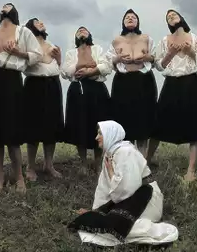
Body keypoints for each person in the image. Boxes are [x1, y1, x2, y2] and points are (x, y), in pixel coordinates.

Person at [67, 120, 179, 247]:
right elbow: (103, 188)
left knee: (116, 227)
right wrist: (95, 211)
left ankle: (157, 229)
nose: (96, 137)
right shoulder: (109, 154)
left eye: (100, 134)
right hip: (129, 199)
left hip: (146, 199)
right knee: (89, 221)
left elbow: (126, 190)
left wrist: (111, 174)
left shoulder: (126, 152)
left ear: (111, 134)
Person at [0, 3, 42, 193]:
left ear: (15, 12)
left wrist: (18, 53)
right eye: (2, 6)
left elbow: (37, 55)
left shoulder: (23, 31)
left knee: (13, 134)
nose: (4, 8)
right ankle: (0, 177)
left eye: (8, 6)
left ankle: (19, 178)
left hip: (12, 81)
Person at [146, 9, 197, 182]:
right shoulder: (164, 40)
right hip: (171, 83)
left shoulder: (194, 38)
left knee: (194, 127)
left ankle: (191, 170)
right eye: (168, 17)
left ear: (181, 18)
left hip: (191, 82)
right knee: (158, 124)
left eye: (173, 14)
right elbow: (159, 66)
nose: (171, 17)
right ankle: (146, 163)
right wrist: (170, 54)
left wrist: (190, 53)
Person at [62, 26, 112, 172]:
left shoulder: (98, 49)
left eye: (84, 30)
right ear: (76, 37)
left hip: (97, 90)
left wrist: (91, 70)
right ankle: (83, 163)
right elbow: (66, 71)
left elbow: (106, 66)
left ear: (90, 34)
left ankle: (97, 162)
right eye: (79, 31)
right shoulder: (71, 53)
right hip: (78, 91)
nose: (81, 32)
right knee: (80, 125)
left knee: (99, 126)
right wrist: (82, 64)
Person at [107, 9, 157, 155]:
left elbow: (156, 59)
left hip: (144, 80)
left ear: (137, 21)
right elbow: (109, 61)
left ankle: (142, 162)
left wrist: (148, 58)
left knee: (144, 120)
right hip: (123, 81)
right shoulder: (116, 40)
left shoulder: (147, 38)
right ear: (123, 22)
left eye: (133, 17)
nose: (130, 19)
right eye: (127, 17)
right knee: (123, 121)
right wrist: (118, 59)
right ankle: (126, 160)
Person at [22, 17, 65, 180]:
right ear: (30, 27)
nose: (41, 23)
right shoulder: (27, 45)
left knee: (51, 125)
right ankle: (30, 167)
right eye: (36, 22)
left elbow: (58, 67)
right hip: (34, 85)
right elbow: (25, 65)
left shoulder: (52, 46)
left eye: (41, 21)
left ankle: (49, 165)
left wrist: (59, 58)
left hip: (53, 85)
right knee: (33, 126)